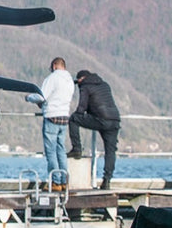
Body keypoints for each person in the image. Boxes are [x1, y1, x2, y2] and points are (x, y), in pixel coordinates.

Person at [68, 70, 121, 190]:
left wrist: (80, 114)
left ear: (81, 79)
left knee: (73, 119)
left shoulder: (85, 86)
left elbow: (82, 108)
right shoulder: (104, 84)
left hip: (100, 119)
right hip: (115, 119)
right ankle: (107, 180)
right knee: (110, 151)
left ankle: (76, 148)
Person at [26, 57, 74, 191]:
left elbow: (42, 96)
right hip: (64, 117)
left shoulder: (53, 78)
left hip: (52, 116)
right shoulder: (69, 79)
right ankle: (65, 181)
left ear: (54, 66)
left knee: (51, 151)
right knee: (61, 150)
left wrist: (29, 98)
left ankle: (56, 182)